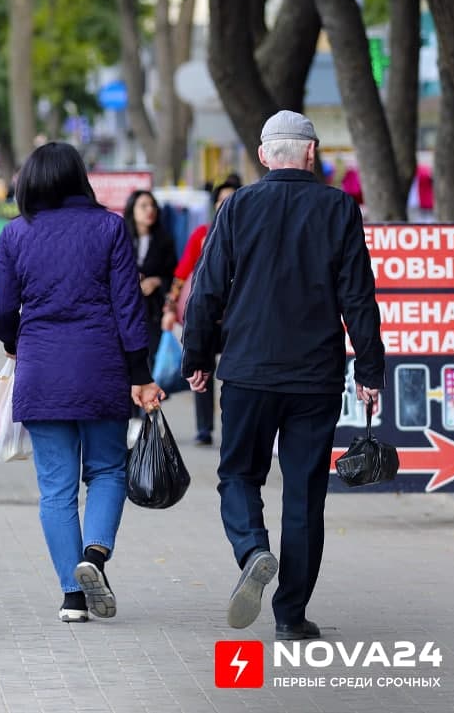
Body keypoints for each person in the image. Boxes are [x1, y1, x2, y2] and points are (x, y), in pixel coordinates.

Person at [181, 110, 384, 641]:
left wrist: (197, 357)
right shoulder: (340, 208)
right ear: (312, 152)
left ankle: (253, 549)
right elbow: (358, 295)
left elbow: (206, 291)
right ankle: (291, 616)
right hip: (315, 377)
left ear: (265, 155)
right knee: (305, 493)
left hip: (247, 371)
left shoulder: (237, 206)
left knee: (239, 475)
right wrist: (369, 368)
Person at [0, 142, 164, 624]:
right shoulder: (109, 227)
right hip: (101, 366)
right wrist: (141, 375)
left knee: (57, 489)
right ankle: (96, 558)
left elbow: (1, 308)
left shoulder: (16, 234)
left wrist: (12, 341)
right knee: (107, 470)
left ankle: (72, 596)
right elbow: (128, 307)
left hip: (41, 370)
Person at [160, 178, 240, 445]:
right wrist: (170, 307)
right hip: (207, 316)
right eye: (221, 200)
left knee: (235, 376)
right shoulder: (203, 234)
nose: (226, 204)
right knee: (201, 371)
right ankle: (204, 429)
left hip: (238, 320)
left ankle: (233, 428)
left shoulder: (251, 236)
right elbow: (181, 274)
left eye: (232, 198)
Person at [122, 189, 177, 435]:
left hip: (152, 312)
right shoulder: (121, 237)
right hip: (125, 312)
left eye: (152, 205)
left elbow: (173, 275)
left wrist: (156, 281)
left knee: (152, 362)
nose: (149, 210)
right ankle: (130, 415)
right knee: (126, 362)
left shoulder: (164, 240)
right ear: (132, 211)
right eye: (143, 206)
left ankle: (150, 416)